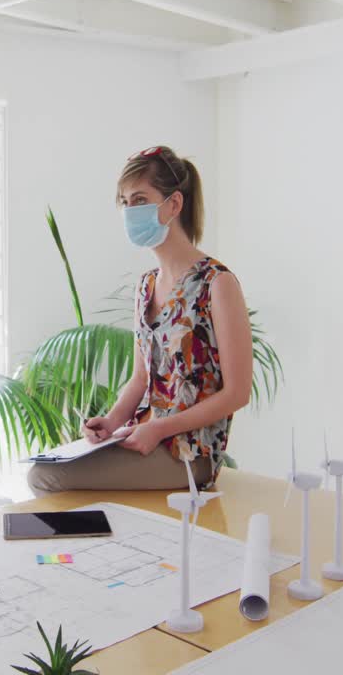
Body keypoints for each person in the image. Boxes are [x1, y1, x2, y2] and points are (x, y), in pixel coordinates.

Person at [27, 145, 254, 495]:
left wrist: (160, 430)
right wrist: (112, 420)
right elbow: (140, 377)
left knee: (46, 479)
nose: (129, 211)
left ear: (174, 205)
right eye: (124, 202)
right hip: (143, 436)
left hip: (191, 454)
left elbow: (237, 393)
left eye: (139, 199)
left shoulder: (217, 283)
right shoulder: (147, 285)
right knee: (45, 468)